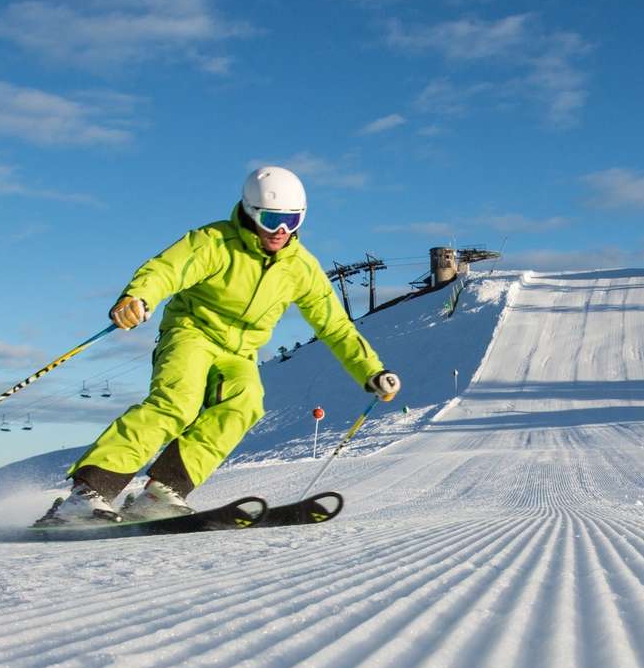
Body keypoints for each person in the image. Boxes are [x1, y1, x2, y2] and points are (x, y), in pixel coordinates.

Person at [36, 165, 400, 526]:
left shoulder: (300, 268)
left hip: (240, 353)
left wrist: (371, 370)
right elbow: (166, 269)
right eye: (272, 220)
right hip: (191, 333)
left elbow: (335, 325)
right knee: (178, 401)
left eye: (292, 221)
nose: (281, 232)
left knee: (245, 402)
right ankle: (87, 492)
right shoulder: (214, 242)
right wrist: (139, 297)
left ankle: (159, 493)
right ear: (251, 211)